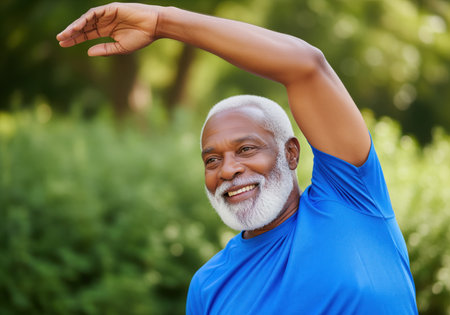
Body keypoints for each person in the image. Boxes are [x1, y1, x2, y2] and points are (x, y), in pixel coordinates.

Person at [57, 3, 418, 314]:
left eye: (246, 149)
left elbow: (306, 65)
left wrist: (162, 22)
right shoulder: (208, 287)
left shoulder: (350, 200)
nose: (228, 169)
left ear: (290, 153)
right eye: (212, 160)